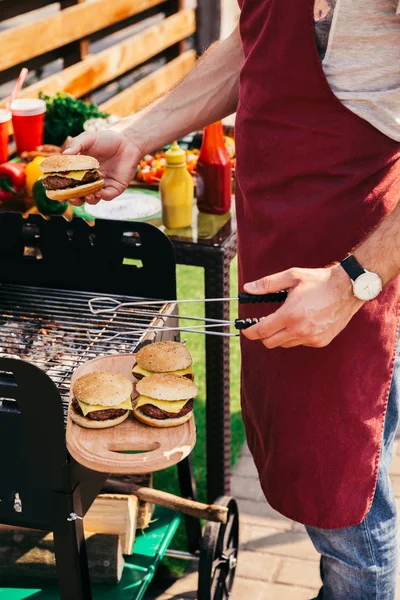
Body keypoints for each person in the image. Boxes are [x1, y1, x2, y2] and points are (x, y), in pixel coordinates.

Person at [65, 1, 400, 597]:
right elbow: (259, 42)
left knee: (349, 506)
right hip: (282, 245)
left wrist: (353, 282)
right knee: (307, 468)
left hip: (364, 255)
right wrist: (138, 132)